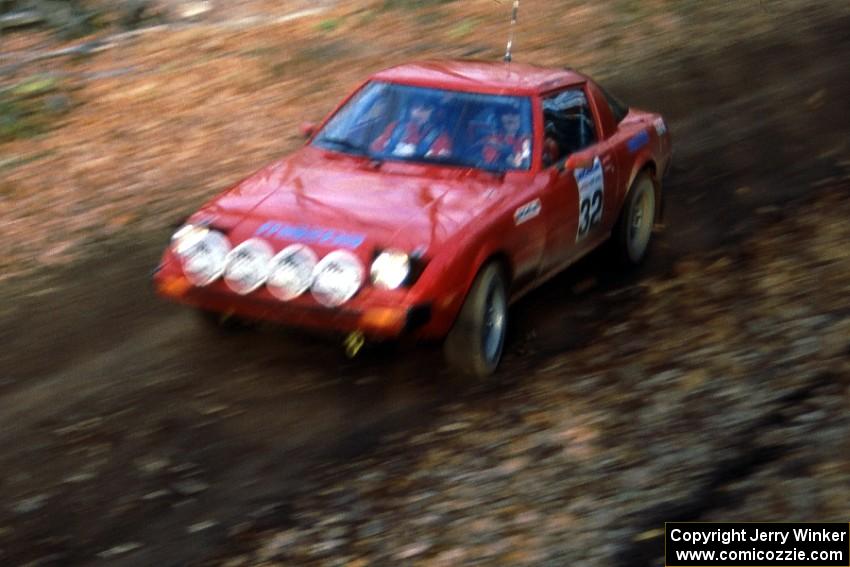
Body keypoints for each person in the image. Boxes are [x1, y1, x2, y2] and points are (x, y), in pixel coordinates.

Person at [370, 97, 452, 158]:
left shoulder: (441, 138)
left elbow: (436, 166)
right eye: (416, 106)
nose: (418, 112)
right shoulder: (395, 127)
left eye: (426, 108)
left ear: (434, 112)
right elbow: (374, 150)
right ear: (409, 109)